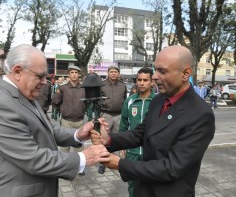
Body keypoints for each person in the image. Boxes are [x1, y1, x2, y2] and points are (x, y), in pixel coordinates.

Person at [0, 44, 110, 196]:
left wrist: (78, 134)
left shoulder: (24, 94)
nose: (45, 81)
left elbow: (46, 127)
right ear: (18, 71)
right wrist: (83, 158)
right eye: (40, 76)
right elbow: (32, 158)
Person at [91, 45, 215, 197]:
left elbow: (172, 168)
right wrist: (109, 139)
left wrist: (120, 164)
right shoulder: (159, 100)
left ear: (185, 73)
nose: (155, 76)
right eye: (155, 69)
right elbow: (140, 134)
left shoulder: (200, 114)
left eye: (162, 71)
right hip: (143, 188)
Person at [119, 67, 155, 197]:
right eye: (139, 80)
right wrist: (122, 145)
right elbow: (123, 124)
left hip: (151, 152)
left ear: (152, 82)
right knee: (132, 184)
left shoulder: (157, 101)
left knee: (150, 183)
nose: (141, 83)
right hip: (132, 151)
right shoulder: (129, 101)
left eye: (145, 80)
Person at [98, 65, 127, 174]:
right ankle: (102, 162)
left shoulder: (122, 86)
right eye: (111, 72)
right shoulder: (102, 85)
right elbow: (98, 99)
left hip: (119, 115)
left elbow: (124, 99)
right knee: (104, 138)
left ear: (118, 73)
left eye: (115, 72)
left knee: (116, 138)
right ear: (108, 73)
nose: (114, 73)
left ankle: (114, 161)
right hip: (106, 114)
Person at [51, 66, 86, 158]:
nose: (74, 74)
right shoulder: (63, 88)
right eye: (72, 72)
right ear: (69, 74)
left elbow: (87, 102)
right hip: (66, 121)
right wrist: (63, 109)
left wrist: (82, 108)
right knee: (65, 146)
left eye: (76, 72)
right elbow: (55, 101)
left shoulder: (83, 88)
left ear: (79, 75)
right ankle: (65, 166)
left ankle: (80, 166)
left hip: (80, 121)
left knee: (79, 145)